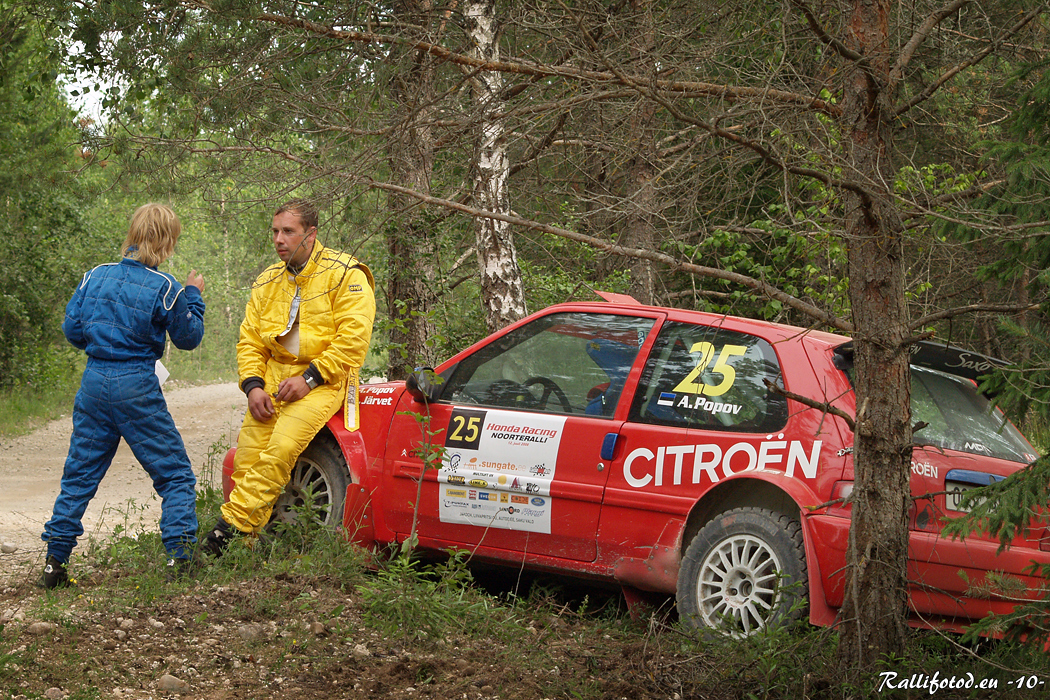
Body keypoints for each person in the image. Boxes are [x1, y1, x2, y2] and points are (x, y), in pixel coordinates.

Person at [40, 203, 206, 589]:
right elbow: (188, 338)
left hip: (94, 382)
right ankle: (180, 559)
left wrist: (103, 346)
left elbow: (72, 330)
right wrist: (193, 296)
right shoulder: (166, 287)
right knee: (175, 474)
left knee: (79, 475)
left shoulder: (94, 276)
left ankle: (54, 564)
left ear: (133, 233)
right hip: (136, 386)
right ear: (166, 241)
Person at [203, 198, 375, 554]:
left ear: (310, 234)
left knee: (280, 451)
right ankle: (245, 549)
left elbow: (353, 341)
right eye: (275, 231)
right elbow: (250, 341)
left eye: (288, 232)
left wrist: (309, 379)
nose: (279, 239)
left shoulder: (346, 274)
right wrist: (252, 386)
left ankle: (224, 535)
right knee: (247, 460)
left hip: (324, 380)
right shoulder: (268, 280)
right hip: (272, 379)